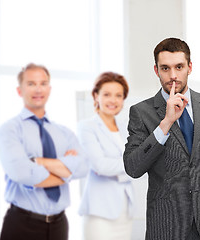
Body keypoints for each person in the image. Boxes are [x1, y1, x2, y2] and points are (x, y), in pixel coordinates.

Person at [123, 37, 200, 240]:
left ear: (189, 67)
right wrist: (166, 123)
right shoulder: (141, 112)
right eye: (165, 68)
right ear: (156, 70)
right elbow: (133, 168)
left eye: (179, 67)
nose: (173, 75)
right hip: (165, 227)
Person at [0, 63, 88, 240]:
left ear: (49, 88)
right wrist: (66, 171)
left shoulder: (64, 133)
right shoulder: (9, 130)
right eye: (31, 83)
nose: (38, 89)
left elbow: (83, 167)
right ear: (19, 90)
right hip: (22, 224)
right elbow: (21, 173)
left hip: (59, 225)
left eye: (43, 83)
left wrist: (37, 161)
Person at [77, 72, 134, 240]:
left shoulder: (126, 128)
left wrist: (122, 167)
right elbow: (99, 165)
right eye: (107, 94)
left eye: (119, 95)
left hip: (125, 212)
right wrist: (132, 164)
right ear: (96, 96)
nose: (113, 100)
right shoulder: (87, 127)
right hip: (99, 213)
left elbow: (142, 165)